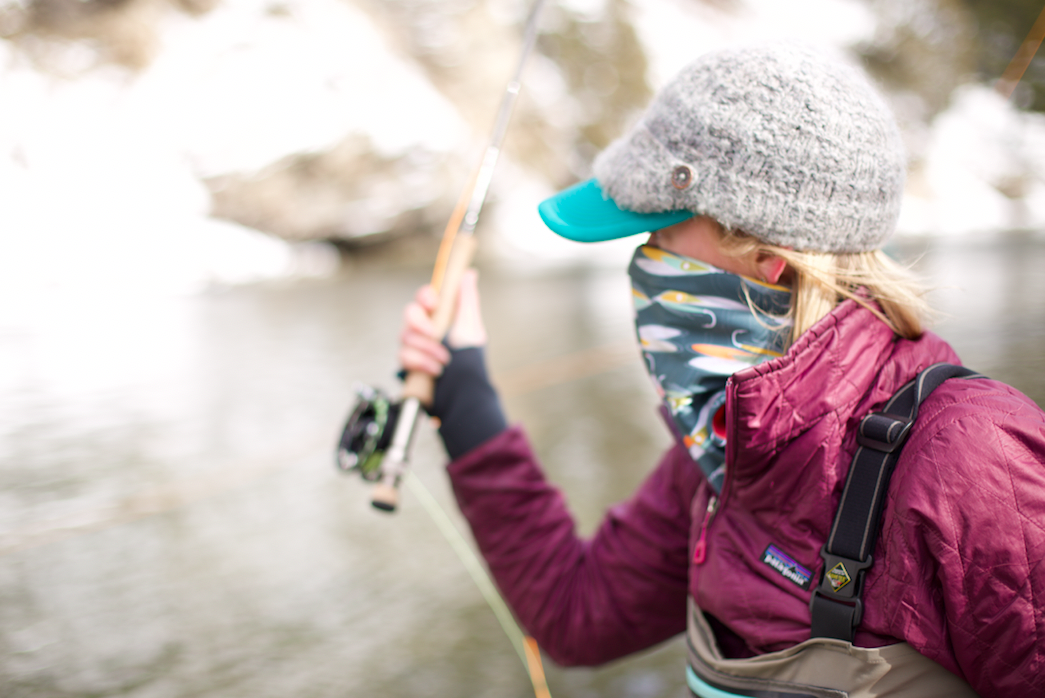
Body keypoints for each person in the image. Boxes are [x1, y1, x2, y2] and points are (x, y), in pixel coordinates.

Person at [398, 44, 1045, 697]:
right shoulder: (726, 450)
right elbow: (577, 614)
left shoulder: (972, 455)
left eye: (659, 235)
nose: (642, 261)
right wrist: (462, 396)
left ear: (769, 260)